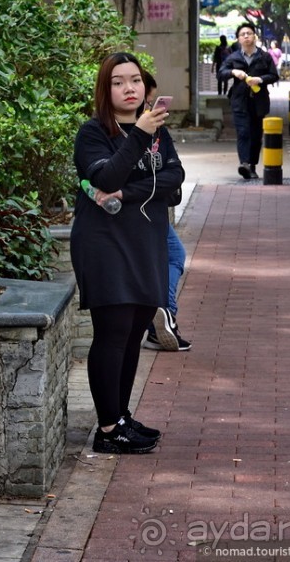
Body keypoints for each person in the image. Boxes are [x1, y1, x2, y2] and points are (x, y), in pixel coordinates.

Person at [70, 52, 184, 454]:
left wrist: (127, 193)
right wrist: (137, 134)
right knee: (113, 332)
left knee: (135, 332)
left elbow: (174, 179)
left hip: (144, 242)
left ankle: (120, 417)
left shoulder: (158, 132)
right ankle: (107, 430)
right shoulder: (93, 133)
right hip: (104, 245)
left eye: (135, 79)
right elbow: (104, 175)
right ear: (106, 89)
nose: (130, 87)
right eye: (119, 82)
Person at [138, 72, 191, 352]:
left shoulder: (159, 131)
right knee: (170, 257)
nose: (151, 107)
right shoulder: (120, 132)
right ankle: (162, 318)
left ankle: (163, 319)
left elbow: (175, 172)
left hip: (156, 210)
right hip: (137, 215)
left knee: (174, 255)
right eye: (148, 101)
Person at [218, 23, 279, 180]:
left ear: (255, 36)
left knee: (256, 134)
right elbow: (221, 73)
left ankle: (252, 165)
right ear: (238, 39)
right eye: (243, 34)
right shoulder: (233, 58)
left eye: (249, 33)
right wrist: (233, 71)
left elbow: (274, 75)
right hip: (239, 101)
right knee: (243, 132)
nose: (246, 36)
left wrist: (260, 79)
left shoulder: (264, 56)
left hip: (259, 102)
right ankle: (244, 163)